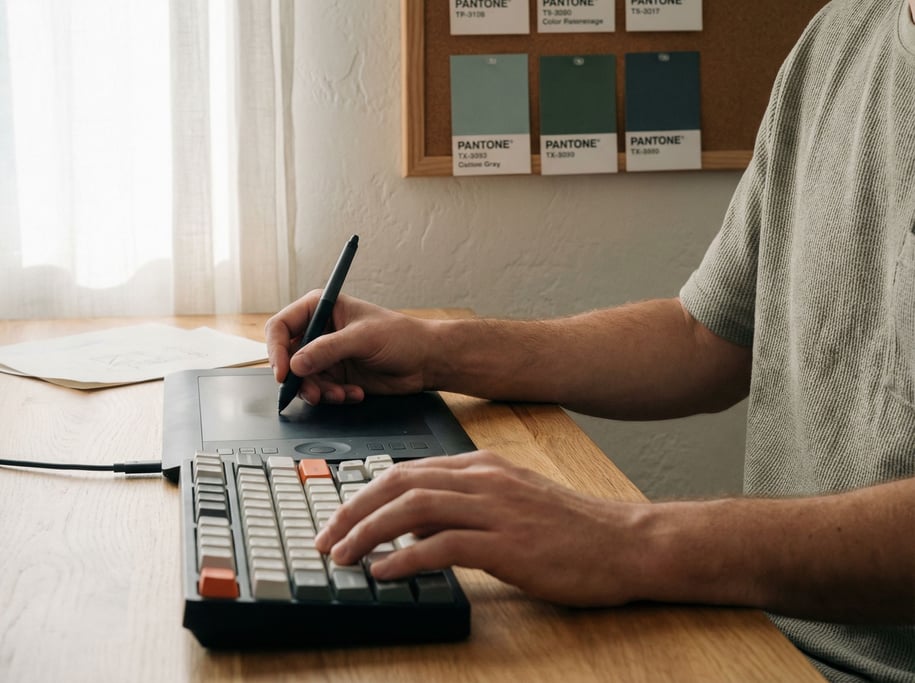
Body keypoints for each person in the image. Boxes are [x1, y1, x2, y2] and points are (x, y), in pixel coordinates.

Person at [265, 0, 915, 679]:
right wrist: (434, 351)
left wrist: (625, 540)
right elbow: (705, 337)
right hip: (758, 635)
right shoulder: (841, 33)